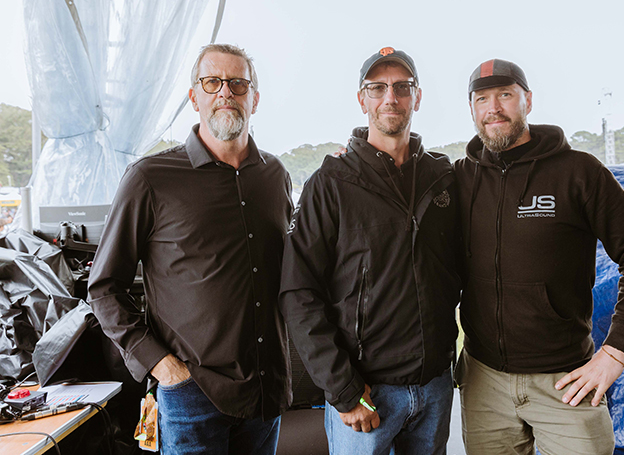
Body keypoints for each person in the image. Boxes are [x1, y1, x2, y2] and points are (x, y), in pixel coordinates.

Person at [88, 44, 293, 455]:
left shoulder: (275, 175)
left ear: (255, 98)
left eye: (238, 84)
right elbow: (104, 287)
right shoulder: (149, 177)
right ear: (194, 96)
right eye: (212, 82)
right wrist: (163, 367)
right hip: (191, 393)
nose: (225, 93)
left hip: (265, 389)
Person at [454, 59, 624, 455]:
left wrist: (615, 352)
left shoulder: (579, 172)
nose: (493, 107)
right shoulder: (461, 177)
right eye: (482, 98)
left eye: (505, 95)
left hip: (565, 380)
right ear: (472, 109)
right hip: (484, 381)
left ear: (527, 100)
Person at [279, 47, 462, 455]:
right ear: (362, 100)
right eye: (377, 88)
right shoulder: (331, 182)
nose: (390, 98)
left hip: (435, 387)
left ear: (417, 97)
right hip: (365, 393)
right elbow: (298, 292)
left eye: (401, 87)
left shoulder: (442, 177)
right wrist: (342, 388)